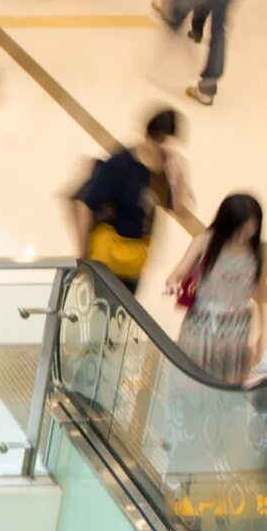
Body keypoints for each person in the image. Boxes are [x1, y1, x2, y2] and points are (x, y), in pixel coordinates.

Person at [71, 107, 188, 293]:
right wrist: (82, 253)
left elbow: (181, 211)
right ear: (150, 137)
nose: (164, 149)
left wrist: (177, 181)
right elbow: (86, 203)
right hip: (108, 255)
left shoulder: (167, 170)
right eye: (161, 142)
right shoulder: (121, 165)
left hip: (135, 259)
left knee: (124, 306)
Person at [164, 193, 266, 382]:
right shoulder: (206, 241)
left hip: (236, 332)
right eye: (240, 230)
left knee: (229, 387)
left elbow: (260, 295)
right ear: (228, 223)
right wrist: (173, 285)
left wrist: (261, 334)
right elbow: (176, 275)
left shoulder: (257, 251)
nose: (245, 236)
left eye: (251, 230)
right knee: (193, 383)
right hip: (202, 327)